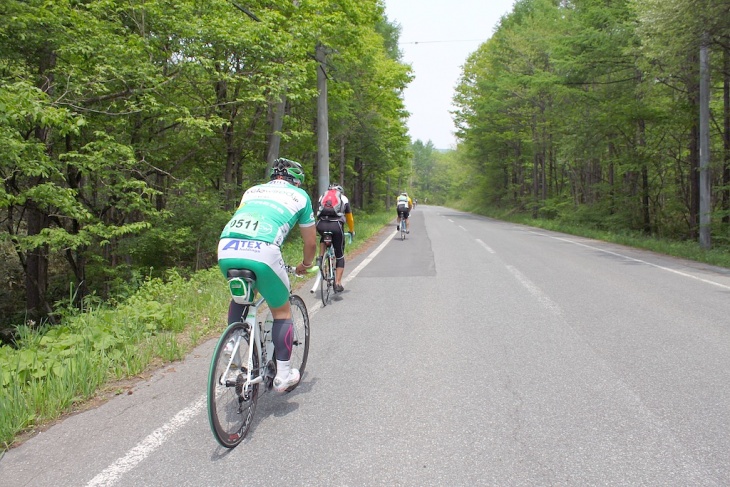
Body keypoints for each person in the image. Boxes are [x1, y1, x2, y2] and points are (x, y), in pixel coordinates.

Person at [217, 157, 317, 392]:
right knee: (281, 311)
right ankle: (282, 375)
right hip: (263, 249)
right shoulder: (300, 196)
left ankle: (231, 343)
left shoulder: (252, 190)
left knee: (243, 297)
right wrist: (305, 264)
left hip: (226, 247)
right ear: (297, 181)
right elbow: (311, 242)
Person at [315, 183, 355, 293]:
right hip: (336, 226)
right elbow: (350, 218)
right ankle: (337, 283)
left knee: (323, 237)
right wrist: (351, 230)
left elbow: (318, 212)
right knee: (339, 253)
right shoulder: (344, 198)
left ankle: (320, 257)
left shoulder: (322, 196)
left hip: (321, 224)